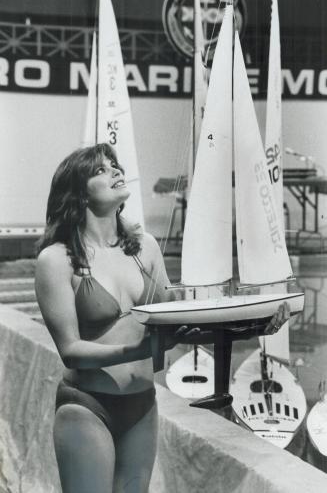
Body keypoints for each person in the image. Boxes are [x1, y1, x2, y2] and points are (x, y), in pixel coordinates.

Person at [35, 143, 290, 493]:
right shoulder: (56, 260)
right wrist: (141, 350)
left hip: (142, 406)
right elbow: (71, 351)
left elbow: (179, 324)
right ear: (77, 192)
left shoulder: (144, 248)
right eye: (101, 169)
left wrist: (254, 327)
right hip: (87, 406)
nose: (115, 171)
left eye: (115, 165)